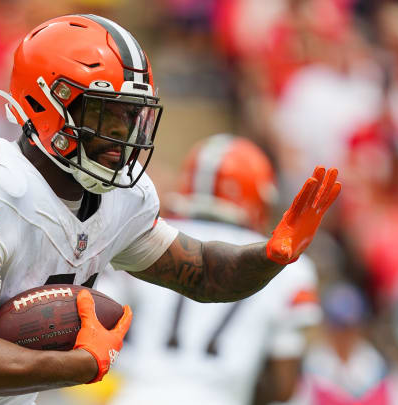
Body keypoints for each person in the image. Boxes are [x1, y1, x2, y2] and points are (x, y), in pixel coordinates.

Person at [0, 15, 341, 405]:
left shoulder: (119, 200)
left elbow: (205, 274)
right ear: (47, 103)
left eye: (132, 118)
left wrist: (270, 257)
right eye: (108, 115)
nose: (123, 137)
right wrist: (83, 364)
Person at [96, 134, 322, 405]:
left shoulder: (147, 236)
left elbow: (99, 317)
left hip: (136, 395)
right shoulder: (288, 269)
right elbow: (282, 386)